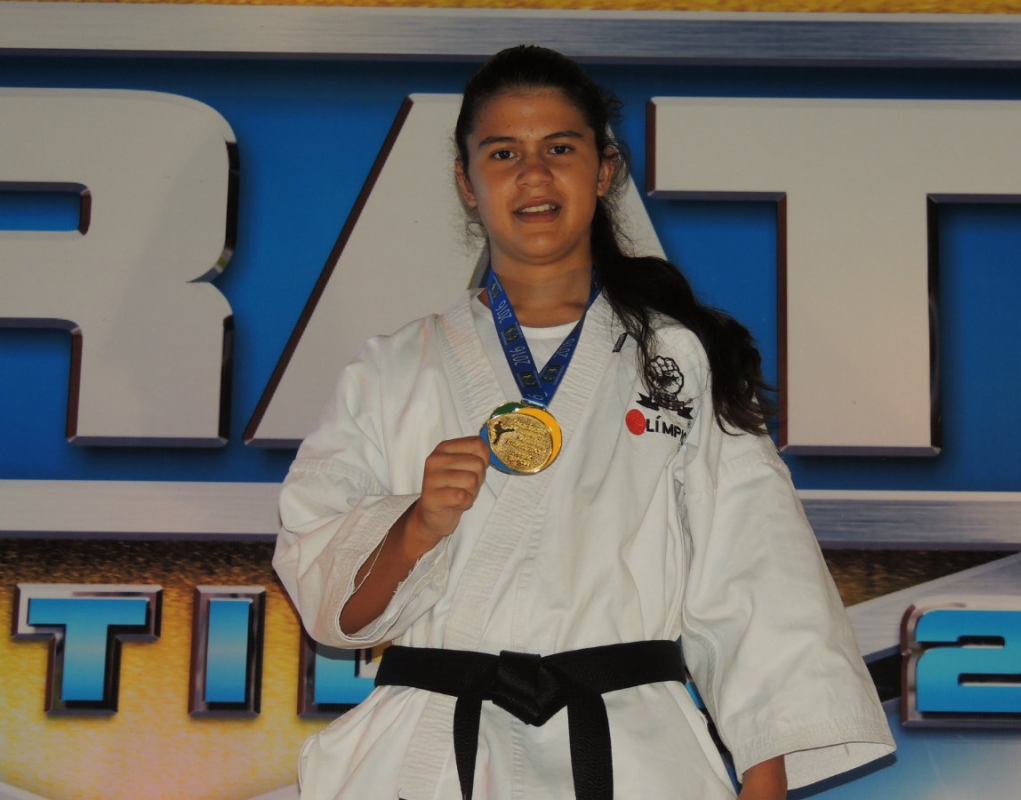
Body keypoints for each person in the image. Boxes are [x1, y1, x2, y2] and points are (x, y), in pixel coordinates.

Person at [274, 45, 895, 800]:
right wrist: (414, 527)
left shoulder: (675, 360)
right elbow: (329, 602)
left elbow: (756, 574)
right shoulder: (392, 370)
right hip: (433, 753)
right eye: (503, 153)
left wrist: (763, 782)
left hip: (631, 753)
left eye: (560, 148)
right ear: (466, 182)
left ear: (603, 171)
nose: (533, 174)